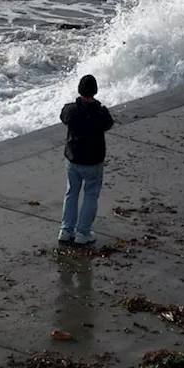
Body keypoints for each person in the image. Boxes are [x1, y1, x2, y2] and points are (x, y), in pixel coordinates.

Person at [58, 74, 114, 246]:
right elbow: (108, 124)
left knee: (71, 193)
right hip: (93, 161)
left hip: (73, 159)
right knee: (90, 194)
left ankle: (66, 230)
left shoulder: (70, 110)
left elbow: (63, 117)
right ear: (95, 91)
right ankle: (83, 232)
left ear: (79, 90)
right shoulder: (100, 113)